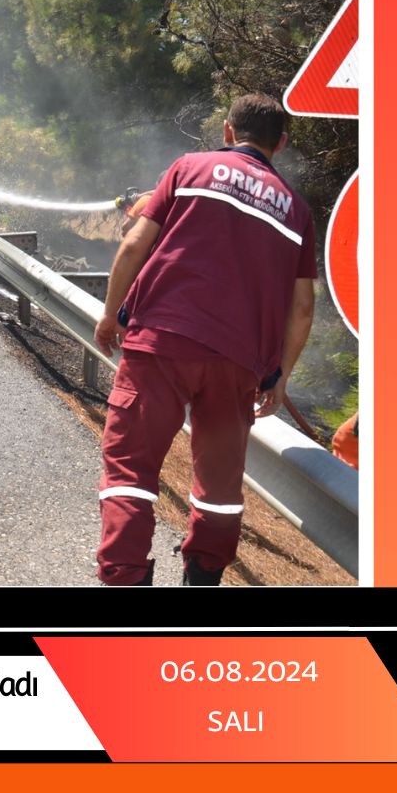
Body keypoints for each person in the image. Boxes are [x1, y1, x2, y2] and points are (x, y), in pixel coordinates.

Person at [93, 93, 317, 586]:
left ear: (228, 132)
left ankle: (125, 578)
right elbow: (302, 309)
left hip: (161, 344)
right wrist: (279, 377)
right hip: (239, 364)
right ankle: (203, 576)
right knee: (219, 487)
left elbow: (134, 243)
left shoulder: (189, 168)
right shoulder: (297, 212)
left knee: (130, 469)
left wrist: (111, 314)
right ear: (279, 144)